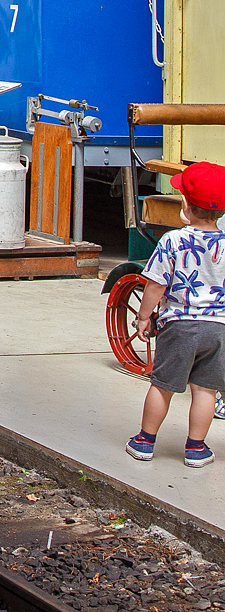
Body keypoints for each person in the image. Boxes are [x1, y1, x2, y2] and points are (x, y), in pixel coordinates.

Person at [126, 161, 225, 468]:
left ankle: (145, 441)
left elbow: (155, 284)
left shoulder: (173, 241)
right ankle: (196, 448)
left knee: (164, 385)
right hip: (219, 329)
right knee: (206, 390)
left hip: (180, 325)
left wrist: (144, 317)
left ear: (185, 205)